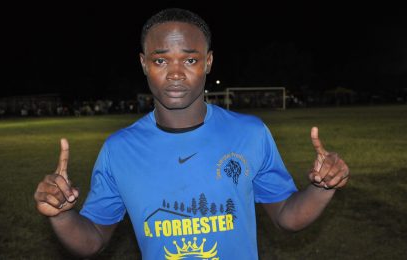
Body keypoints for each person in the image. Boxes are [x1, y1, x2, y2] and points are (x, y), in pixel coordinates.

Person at [34, 8, 349, 259]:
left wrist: (321, 188)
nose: (174, 72)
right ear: (144, 64)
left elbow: (286, 216)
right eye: (160, 60)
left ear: (208, 62)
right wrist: (62, 215)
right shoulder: (119, 149)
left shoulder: (250, 133)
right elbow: (92, 241)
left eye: (189, 59)